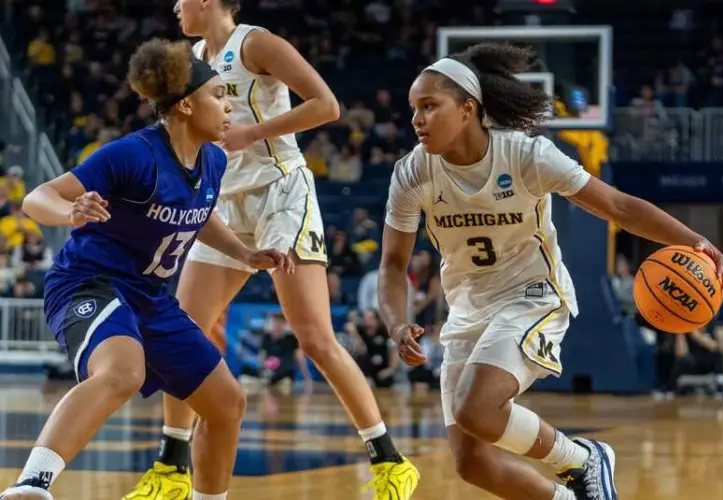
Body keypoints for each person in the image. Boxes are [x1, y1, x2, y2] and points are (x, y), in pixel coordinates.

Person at [377, 43, 723, 500]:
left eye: (429, 106)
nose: (416, 119)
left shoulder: (526, 156)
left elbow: (617, 206)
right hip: (467, 308)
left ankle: (584, 459)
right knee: (473, 463)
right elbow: (392, 263)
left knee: (477, 408)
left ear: (467, 109)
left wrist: (694, 241)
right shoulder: (411, 173)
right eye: (413, 109)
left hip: (532, 295)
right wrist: (394, 321)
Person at [125, 1, 419, 499]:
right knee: (181, 334)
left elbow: (326, 105)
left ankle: (390, 460)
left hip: (281, 193)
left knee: (315, 340)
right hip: (225, 201)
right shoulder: (192, 56)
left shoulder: (256, 43)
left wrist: (251, 133)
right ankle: (172, 467)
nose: (175, 6)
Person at [0, 38, 292, 500]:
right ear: (184, 106)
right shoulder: (134, 154)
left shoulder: (213, 160)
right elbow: (39, 197)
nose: (228, 105)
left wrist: (244, 253)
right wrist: (72, 210)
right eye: (218, 96)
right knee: (122, 372)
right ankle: (31, 484)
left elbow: (201, 213)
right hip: (89, 283)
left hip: (150, 298)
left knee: (226, 404)